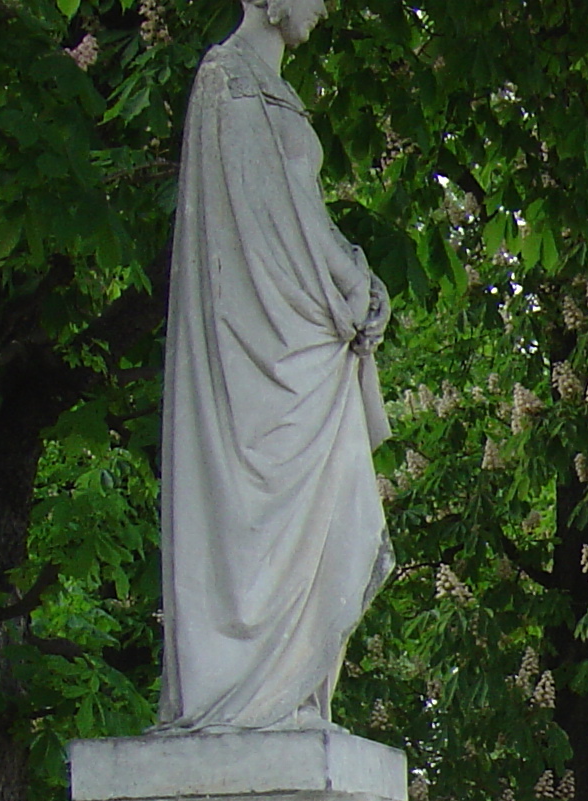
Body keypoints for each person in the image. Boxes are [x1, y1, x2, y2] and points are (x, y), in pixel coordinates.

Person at [161, 0, 394, 731]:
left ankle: (296, 690)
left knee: (339, 515)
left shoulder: (273, 90)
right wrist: (345, 284)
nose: (322, 5)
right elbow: (261, 224)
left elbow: (302, 217)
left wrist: (356, 277)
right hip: (266, 344)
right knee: (261, 515)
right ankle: (251, 692)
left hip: (307, 336)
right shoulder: (227, 82)